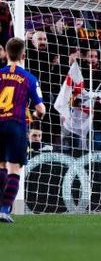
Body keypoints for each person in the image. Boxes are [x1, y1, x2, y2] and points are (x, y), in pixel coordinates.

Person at [0, 38, 46, 223]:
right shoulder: (29, 78)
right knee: (14, 169)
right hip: (16, 124)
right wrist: (35, 116)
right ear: (23, 55)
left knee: (1, 167)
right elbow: (41, 109)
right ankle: (4, 210)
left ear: (6, 54)